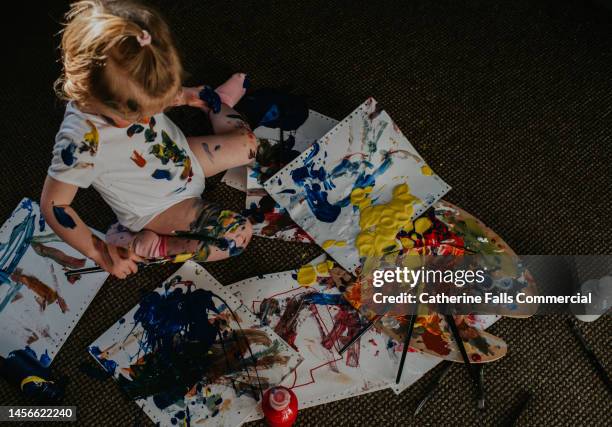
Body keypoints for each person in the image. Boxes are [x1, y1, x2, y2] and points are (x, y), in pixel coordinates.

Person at [41, 0, 257, 279]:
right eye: (143, 111)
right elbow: (55, 205)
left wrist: (184, 96)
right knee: (235, 238)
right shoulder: (81, 142)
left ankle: (218, 102)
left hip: (182, 159)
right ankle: (148, 244)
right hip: (159, 207)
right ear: (95, 97)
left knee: (249, 145)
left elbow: (151, 93)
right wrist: (100, 253)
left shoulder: (128, 84)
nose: (151, 115)